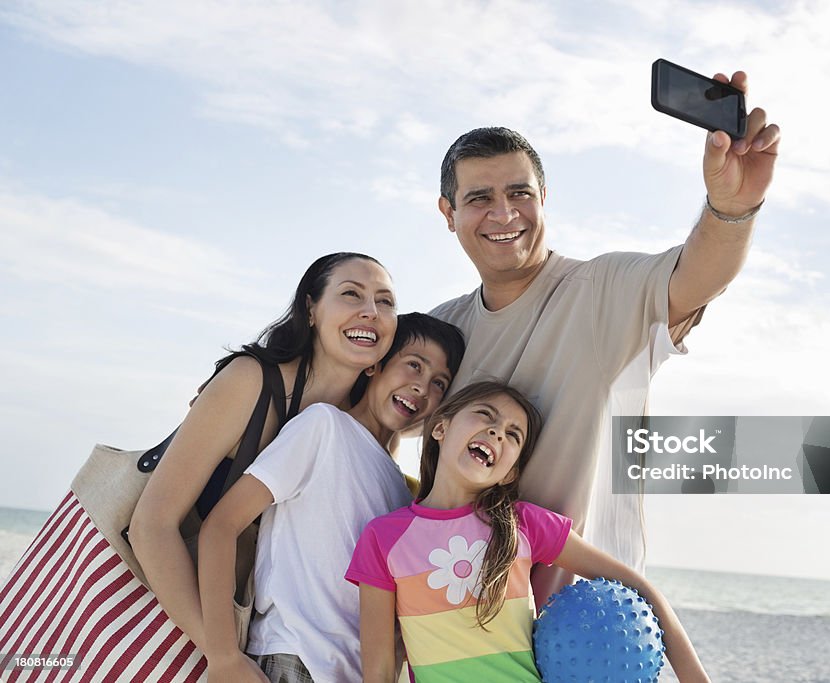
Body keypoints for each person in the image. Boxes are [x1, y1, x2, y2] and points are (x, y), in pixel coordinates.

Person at [429, 71, 781, 604]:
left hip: (585, 630)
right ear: (448, 213)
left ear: (543, 198)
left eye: (519, 193)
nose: (504, 214)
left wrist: (732, 209)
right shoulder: (441, 332)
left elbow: (697, 279)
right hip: (462, 633)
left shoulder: (600, 290)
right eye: (480, 198)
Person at [130, 252, 400, 659]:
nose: (370, 312)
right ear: (310, 309)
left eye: (385, 302)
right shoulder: (251, 381)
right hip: (153, 610)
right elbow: (152, 525)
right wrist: (222, 655)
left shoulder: (356, 431)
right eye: (351, 294)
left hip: (247, 630)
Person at [347, 381, 710, 682]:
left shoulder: (524, 524)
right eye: (485, 415)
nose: (496, 433)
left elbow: (639, 588)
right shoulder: (384, 538)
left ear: (509, 473)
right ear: (440, 427)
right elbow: (378, 669)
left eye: (513, 435)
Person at [198, 313, 465, 683]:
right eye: (414, 366)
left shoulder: (406, 493)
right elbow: (221, 526)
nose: (422, 387)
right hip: (293, 659)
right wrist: (224, 655)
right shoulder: (323, 426)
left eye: (439, 383)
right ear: (375, 365)